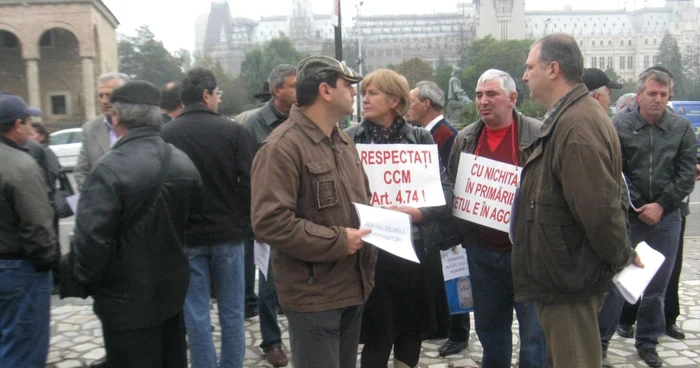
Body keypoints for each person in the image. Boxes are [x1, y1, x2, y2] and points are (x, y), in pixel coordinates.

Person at [515, 33, 638, 368]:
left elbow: (599, 211)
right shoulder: (571, 117)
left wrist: (621, 256)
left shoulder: (577, 124)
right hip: (564, 277)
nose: (525, 76)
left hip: (571, 281)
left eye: (530, 67)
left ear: (553, 69)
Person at [61, 80, 201, 367]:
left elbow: (90, 242)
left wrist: (89, 281)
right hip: (170, 295)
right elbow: (194, 223)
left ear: (117, 116)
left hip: (124, 304)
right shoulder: (183, 162)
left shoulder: (108, 169)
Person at [250, 55, 374, 368]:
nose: (355, 93)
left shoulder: (342, 140)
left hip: (351, 287)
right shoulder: (281, 147)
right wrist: (337, 240)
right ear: (325, 91)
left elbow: (358, 201)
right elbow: (270, 222)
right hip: (314, 297)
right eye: (348, 85)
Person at [345, 69, 452, 368]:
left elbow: (444, 189)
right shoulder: (351, 137)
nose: (364, 99)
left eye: (372, 93)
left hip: (412, 249)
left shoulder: (420, 137)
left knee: (410, 327)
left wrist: (420, 213)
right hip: (370, 249)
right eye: (364, 93)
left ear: (394, 100)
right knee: (377, 329)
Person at [447, 69, 547, 367]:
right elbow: (454, 184)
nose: (483, 101)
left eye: (491, 94)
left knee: (533, 336)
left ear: (512, 98)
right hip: (481, 254)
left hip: (527, 254)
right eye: (479, 95)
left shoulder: (539, 134)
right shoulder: (465, 138)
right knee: (490, 332)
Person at [598, 69, 697, 367]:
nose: (657, 100)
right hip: (629, 216)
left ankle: (648, 342)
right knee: (618, 282)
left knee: (657, 286)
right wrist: (641, 204)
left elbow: (686, 173)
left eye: (663, 95)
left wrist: (661, 206)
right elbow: (615, 170)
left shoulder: (681, 128)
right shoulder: (619, 126)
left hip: (667, 218)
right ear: (639, 94)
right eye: (652, 94)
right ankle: (600, 343)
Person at [161, 68, 255, 368]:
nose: (218, 99)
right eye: (217, 94)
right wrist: (242, 221)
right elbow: (249, 182)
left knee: (196, 314)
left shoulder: (166, 135)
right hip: (228, 234)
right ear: (206, 95)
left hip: (186, 237)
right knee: (232, 312)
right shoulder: (233, 132)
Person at [406, 80, 468, 355]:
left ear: (426, 104)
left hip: (448, 222)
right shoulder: (424, 134)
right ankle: (441, 325)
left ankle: (459, 333)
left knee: (455, 277)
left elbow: (453, 181)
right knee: (438, 278)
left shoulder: (447, 136)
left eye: (412, 102)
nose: (408, 108)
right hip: (433, 220)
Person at [243, 63, 297, 367]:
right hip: (269, 215)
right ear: (277, 90)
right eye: (293, 85)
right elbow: (246, 172)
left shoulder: (305, 118)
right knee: (267, 282)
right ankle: (272, 341)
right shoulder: (254, 125)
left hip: (302, 213)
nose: (299, 91)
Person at [0, 94, 57, 367]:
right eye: (28, 122)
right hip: (17, 267)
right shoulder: (20, 166)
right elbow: (38, 225)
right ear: (16, 124)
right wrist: (48, 260)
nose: (30, 128)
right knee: (23, 349)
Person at [74, 72, 130, 190]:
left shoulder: (139, 125)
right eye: (101, 96)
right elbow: (81, 172)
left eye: (109, 95)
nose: (104, 101)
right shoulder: (90, 129)